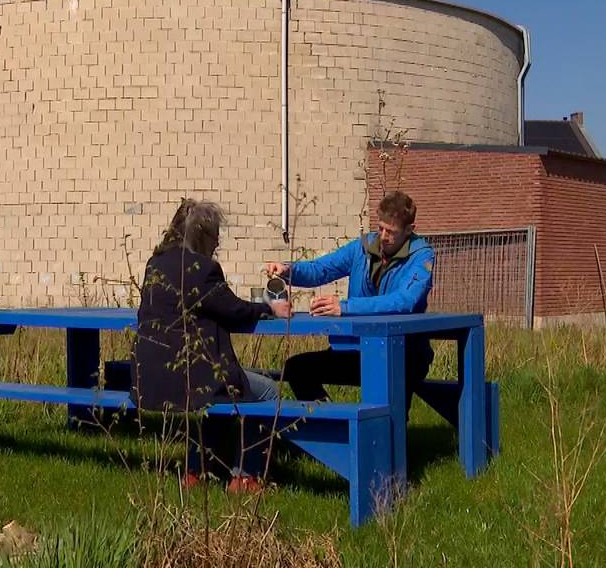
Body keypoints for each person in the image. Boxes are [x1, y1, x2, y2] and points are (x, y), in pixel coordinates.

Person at [132, 200, 291, 493]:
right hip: (189, 378)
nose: (218, 243)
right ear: (205, 236)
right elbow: (233, 310)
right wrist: (269, 308)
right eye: (216, 236)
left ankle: (197, 470)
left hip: (149, 377)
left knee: (224, 387)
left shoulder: (154, 264)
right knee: (267, 390)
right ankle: (246, 476)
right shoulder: (203, 269)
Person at [266, 191, 435, 403]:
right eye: (380, 228)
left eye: (391, 231)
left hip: (403, 353)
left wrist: (344, 307)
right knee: (297, 368)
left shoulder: (422, 256)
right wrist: (288, 270)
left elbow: (404, 301)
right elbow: (322, 269)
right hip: (355, 350)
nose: (383, 236)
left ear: (409, 230)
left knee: (388, 414)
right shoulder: (361, 248)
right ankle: (327, 425)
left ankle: (382, 432)